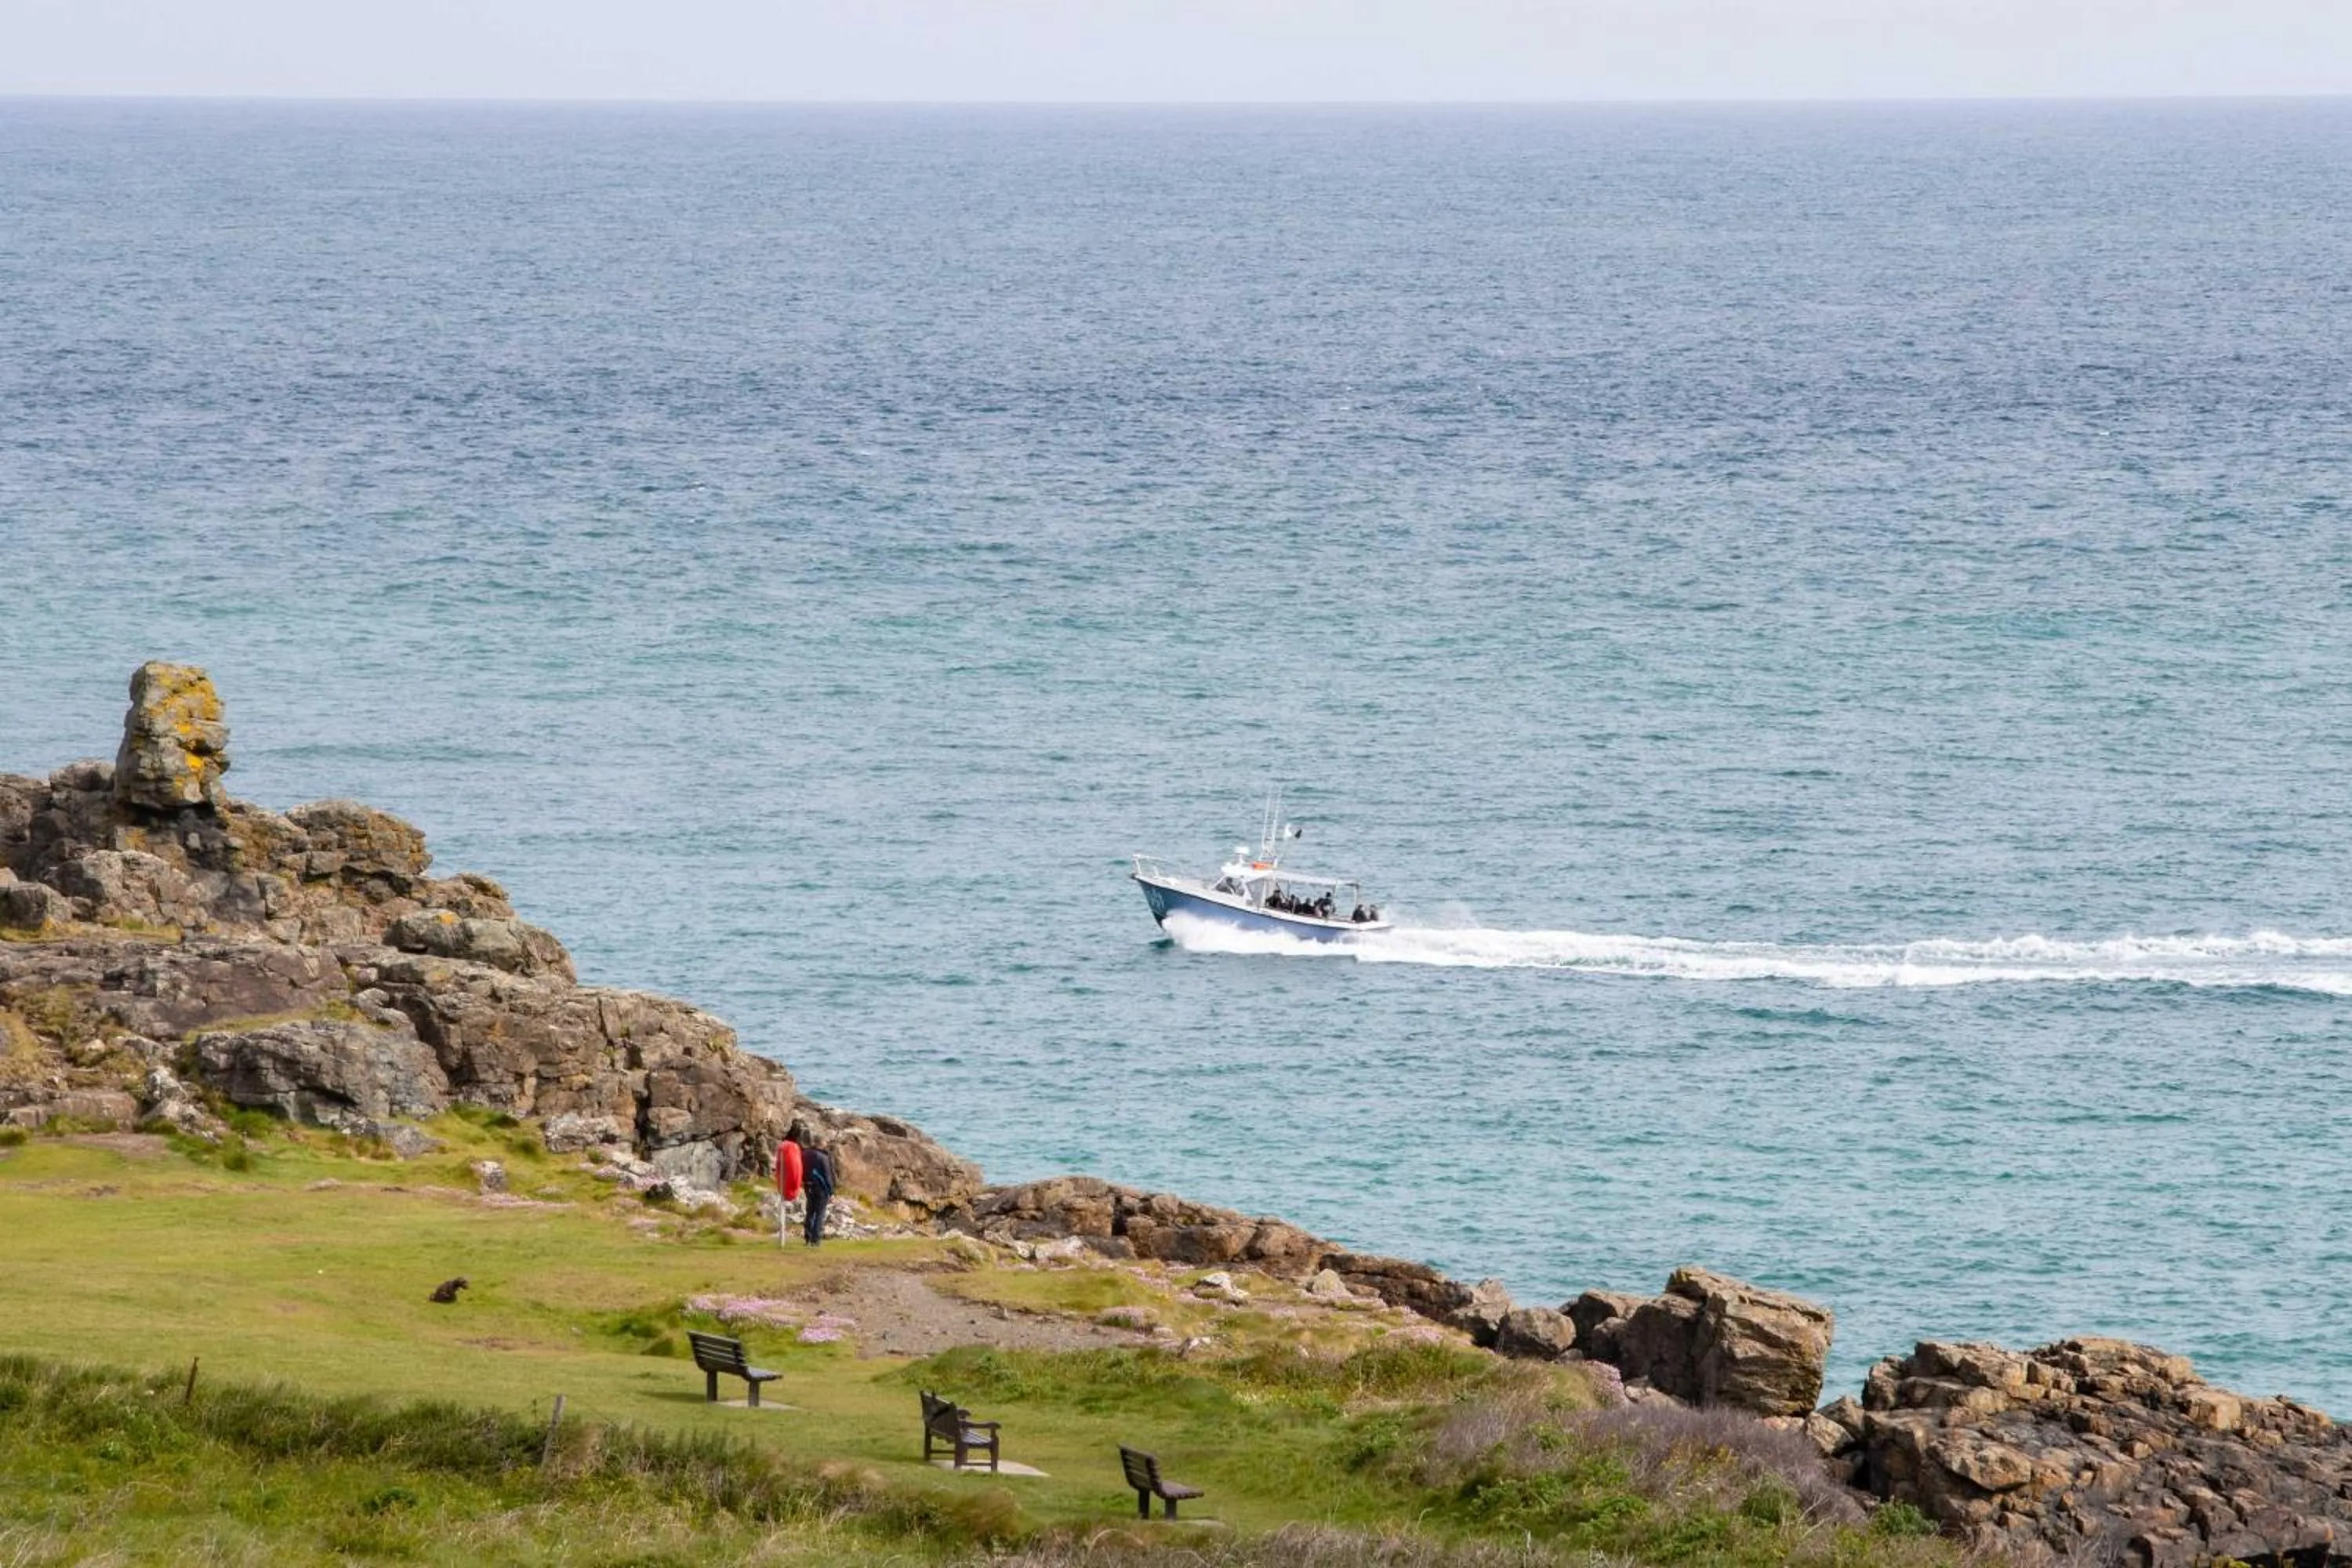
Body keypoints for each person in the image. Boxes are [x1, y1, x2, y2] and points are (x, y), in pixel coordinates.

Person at [797, 1138, 836, 1247]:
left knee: (810, 1212)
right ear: (821, 1144)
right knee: (820, 1213)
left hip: (808, 1186)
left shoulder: (804, 1154)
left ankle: (808, 1237)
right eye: (825, 1143)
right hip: (821, 1188)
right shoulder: (823, 1157)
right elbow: (827, 1176)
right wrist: (831, 1192)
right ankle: (815, 1239)